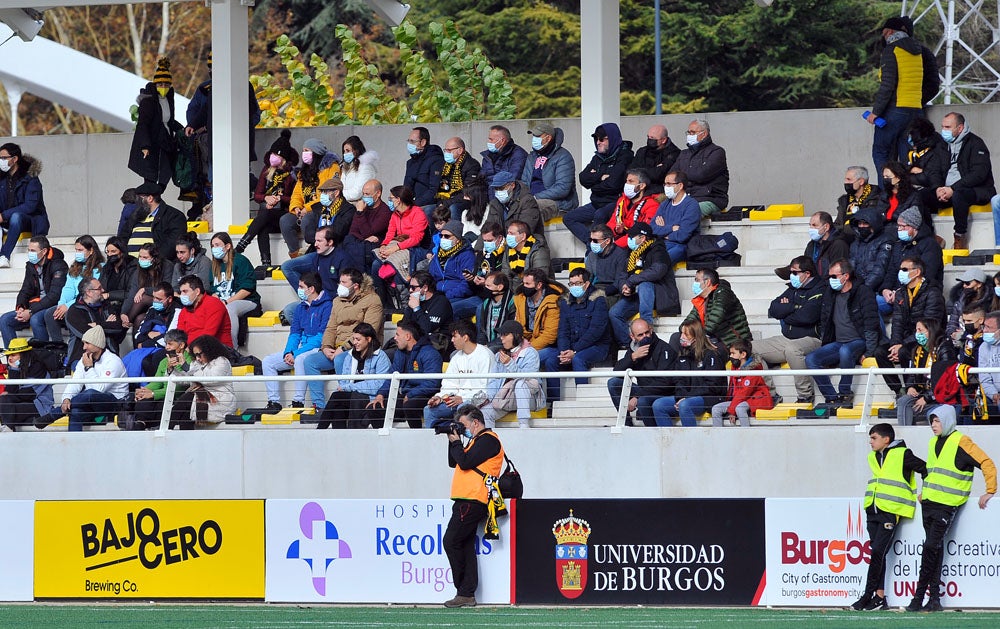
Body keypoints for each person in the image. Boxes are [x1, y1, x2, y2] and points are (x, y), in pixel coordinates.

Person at [906, 405, 996, 612]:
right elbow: (933, 472)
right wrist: (924, 493)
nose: (933, 426)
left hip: (946, 506)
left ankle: (918, 597)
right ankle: (934, 599)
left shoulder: (961, 441)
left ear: (947, 421)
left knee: (930, 548)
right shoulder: (933, 442)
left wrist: (990, 490)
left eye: (937, 421)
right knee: (933, 551)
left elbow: (986, 462)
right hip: (928, 503)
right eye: (931, 422)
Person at [850, 423, 927, 612]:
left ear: (886, 439)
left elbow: (925, 469)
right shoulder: (873, 457)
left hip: (891, 511)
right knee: (878, 554)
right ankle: (879, 598)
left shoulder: (903, 454)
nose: (870, 442)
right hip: (872, 510)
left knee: (877, 552)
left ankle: (868, 595)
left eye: (874, 438)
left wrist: (926, 492)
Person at [441, 404, 504, 608]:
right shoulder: (475, 441)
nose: (462, 429)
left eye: (463, 425)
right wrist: (453, 441)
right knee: (464, 544)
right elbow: (455, 462)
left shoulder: (488, 440)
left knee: (451, 541)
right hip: (465, 499)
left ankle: (463, 590)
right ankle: (466, 593)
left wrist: (458, 441)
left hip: (473, 499)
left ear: (475, 422)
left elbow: (465, 462)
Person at [302, 269, 383, 410]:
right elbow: (331, 327)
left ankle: (345, 401)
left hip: (358, 347)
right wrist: (326, 347)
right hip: (335, 348)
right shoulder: (337, 301)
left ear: (356, 286)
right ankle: (319, 406)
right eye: (340, 281)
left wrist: (344, 348)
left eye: (344, 282)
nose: (340, 285)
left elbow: (369, 330)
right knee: (310, 361)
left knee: (341, 359)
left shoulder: (373, 300)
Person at [806, 259, 883, 408]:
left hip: (859, 341)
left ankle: (845, 392)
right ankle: (831, 397)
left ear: (846, 276)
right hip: (838, 342)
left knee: (845, 350)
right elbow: (825, 320)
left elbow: (871, 322)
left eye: (834, 276)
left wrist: (869, 351)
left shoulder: (863, 291)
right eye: (829, 277)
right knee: (811, 359)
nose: (830, 280)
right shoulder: (830, 293)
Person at [752, 256, 824, 404]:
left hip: (813, 338)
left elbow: (807, 317)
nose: (792, 276)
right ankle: (770, 394)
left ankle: (805, 395)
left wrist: (787, 311)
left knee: (793, 349)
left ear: (807, 273)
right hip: (788, 337)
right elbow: (773, 309)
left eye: (795, 272)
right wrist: (794, 307)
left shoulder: (820, 288)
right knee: (750, 348)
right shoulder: (792, 289)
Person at [919, 112, 996, 249]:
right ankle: (931, 236)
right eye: (942, 127)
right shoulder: (941, 145)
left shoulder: (976, 143)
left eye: (948, 127)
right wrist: (937, 188)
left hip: (976, 191)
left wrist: (953, 189)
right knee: (920, 196)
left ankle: (960, 236)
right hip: (946, 190)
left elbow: (978, 174)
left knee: (960, 194)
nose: (944, 131)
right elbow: (934, 171)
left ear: (960, 128)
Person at [35, 326, 128, 432]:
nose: (84, 347)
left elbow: (99, 390)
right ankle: (74, 445)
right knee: (75, 411)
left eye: (87, 343)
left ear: (97, 344)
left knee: (91, 393)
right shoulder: (85, 359)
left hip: (114, 405)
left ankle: (55, 414)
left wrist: (89, 367)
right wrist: (67, 398)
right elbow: (76, 383)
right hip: (92, 407)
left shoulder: (113, 361)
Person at [261, 272, 331, 411]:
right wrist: (288, 352)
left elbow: (320, 338)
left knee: (300, 359)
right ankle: (274, 402)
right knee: (268, 361)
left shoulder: (327, 306)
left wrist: (296, 353)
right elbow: (295, 333)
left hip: (316, 348)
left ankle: (298, 401)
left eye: (301, 286)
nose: (299, 289)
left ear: (311, 289)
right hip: (299, 348)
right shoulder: (301, 307)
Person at [869, 16, 929, 176]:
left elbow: (888, 85)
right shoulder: (917, 51)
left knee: (881, 153)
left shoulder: (891, 50)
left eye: (884, 34)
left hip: (895, 110)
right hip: (916, 110)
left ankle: (887, 196)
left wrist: (876, 112)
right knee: (907, 157)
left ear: (888, 32)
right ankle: (906, 196)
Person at [878, 256, 945, 395]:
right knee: (880, 352)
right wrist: (895, 344)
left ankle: (913, 388)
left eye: (904, 269)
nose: (900, 272)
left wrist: (902, 345)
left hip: (928, 339)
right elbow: (897, 321)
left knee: (904, 351)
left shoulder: (933, 292)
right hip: (905, 338)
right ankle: (899, 391)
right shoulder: (901, 293)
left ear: (917, 272)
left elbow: (931, 324)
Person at [609, 222, 681, 347]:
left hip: (659, 294)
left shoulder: (658, 250)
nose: (629, 240)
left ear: (642, 238)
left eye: (632, 237)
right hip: (635, 295)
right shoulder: (631, 253)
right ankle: (628, 344)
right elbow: (622, 275)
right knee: (614, 313)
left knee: (645, 284)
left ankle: (647, 332)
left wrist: (631, 281)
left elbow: (657, 271)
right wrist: (624, 287)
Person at [544, 267, 610, 402]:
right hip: (572, 348)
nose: (574, 287)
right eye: (571, 284)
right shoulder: (566, 302)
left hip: (597, 346)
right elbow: (563, 330)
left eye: (578, 283)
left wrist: (574, 351)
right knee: (551, 361)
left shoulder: (599, 300)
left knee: (578, 359)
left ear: (586, 284)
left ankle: (582, 402)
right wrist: (564, 351)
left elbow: (595, 331)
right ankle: (553, 403)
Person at [235, 129, 299, 267]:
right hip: (267, 214)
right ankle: (266, 263)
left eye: (276, 154)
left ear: (284, 158)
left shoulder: (291, 175)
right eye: (272, 153)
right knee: (262, 225)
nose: (273, 157)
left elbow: (294, 199)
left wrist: (279, 199)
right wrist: (266, 198)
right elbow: (257, 196)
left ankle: (243, 243)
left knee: (265, 215)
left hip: (283, 215)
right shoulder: (266, 170)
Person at [563, 122, 634, 245]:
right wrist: (601, 176)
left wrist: (594, 182)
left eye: (602, 139)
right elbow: (583, 179)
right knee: (569, 218)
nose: (598, 142)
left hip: (614, 202)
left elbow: (614, 184)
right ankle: (592, 243)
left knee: (599, 215)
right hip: (597, 202)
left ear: (611, 139)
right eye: (596, 139)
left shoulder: (625, 156)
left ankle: (594, 249)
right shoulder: (598, 157)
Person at [314, 323, 391, 429]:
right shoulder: (350, 356)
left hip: (370, 397)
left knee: (336, 397)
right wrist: (346, 387)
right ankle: (339, 439)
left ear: (368, 339)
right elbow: (344, 380)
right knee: (338, 409)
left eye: (358, 340)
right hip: (351, 396)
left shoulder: (381, 357)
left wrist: (349, 387)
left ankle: (319, 431)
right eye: (353, 339)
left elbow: (378, 385)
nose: (354, 343)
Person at [368, 322, 442, 429]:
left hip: (424, 396)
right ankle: (385, 442)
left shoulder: (430, 353)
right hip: (404, 396)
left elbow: (432, 383)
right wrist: (381, 394)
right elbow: (392, 376)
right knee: (374, 408)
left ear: (408, 336)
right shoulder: (400, 352)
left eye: (397, 334)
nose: (394, 338)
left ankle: (417, 438)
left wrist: (411, 394)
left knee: (409, 406)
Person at [653, 319, 728, 427]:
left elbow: (713, 386)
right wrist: (680, 396)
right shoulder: (683, 355)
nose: (681, 337)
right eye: (681, 333)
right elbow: (679, 380)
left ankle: (690, 442)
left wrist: (687, 397)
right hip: (688, 397)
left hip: (709, 398)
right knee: (658, 405)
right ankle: (670, 441)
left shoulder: (711, 355)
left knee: (685, 405)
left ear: (696, 337)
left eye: (685, 334)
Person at [423, 320, 495, 428]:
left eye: (454, 336)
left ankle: (464, 442)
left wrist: (463, 399)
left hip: (474, 403)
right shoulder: (456, 357)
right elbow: (449, 384)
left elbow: (485, 391)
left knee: (463, 409)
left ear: (465, 337)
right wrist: (440, 397)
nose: (452, 340)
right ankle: (433, 443)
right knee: (429, 410)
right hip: (456, 401)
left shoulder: (485, 355)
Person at [0, 236, 68, 346]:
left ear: (44, 251)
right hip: (34, 306)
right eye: (28, 250)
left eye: (33, 251)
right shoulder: (31, 265)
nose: (30, 253)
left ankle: (42, 357)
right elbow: (25, 290)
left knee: (35, 319)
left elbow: (54, 296)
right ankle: (13, 358)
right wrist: (21, 307)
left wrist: (31, 312)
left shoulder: (58, 265)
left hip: (51, 306)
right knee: (4, 320)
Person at [607, 318, 676, 426]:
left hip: (662, 393)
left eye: (647, 332)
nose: (645, 336)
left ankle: (651, 431)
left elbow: (665, 382)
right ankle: (626, 424)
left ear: (651, 330)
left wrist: (637, 397)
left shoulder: (664, 349)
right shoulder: (634, 349)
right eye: (640, 335)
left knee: (642, 401)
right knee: (613, 383)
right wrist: (633, 357)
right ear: (633, 337)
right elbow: (617, 372)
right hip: (644, 391)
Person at [127, 57, 182, 190]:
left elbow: (169, 121)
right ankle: (148, 201)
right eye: (160, 84)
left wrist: (183, 129)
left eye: (166, 84)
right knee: (151, 177)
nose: (163, 87)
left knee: (165, 174)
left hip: (166, 142)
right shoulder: (148, 101)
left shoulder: (169, 99)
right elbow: (143, 124)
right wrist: (145, 145)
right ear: (155, 84)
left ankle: (152, 200)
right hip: (152, 143)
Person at [282, 138, 341, 258]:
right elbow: (297, 194)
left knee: (307, 220)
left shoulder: (331, 167)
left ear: (316, 152)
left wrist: (307, 209)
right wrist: (296, 207)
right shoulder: (303, 172)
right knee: (285, 221)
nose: (304, 153)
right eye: (303, 150)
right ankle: (295, 255)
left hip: (322, 207)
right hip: (303, 210)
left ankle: (314, 252)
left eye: (307, 150)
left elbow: (328, 193)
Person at [372, 186, 430, 305]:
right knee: (376, 264)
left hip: (417, 248)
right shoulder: (395, 214)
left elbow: (416, 238)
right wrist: (384, 245)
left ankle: (402, 301)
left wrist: (394, 248)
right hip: (398, 245)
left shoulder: (417, 213)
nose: (389, 200)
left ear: (398, 199)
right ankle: (383, 302)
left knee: (395, 264)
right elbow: (390, 233)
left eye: (391, 198)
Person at [481, 320, 544, 429]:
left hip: (529, 399)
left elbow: (528, 379)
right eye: (501, 335)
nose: (501, 338)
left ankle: (524, 426)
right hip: (506, 398)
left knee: (520, 384)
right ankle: (490, 440)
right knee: (484, 412)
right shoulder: (498, 355)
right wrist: (489, 400)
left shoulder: (531, 353)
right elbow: (493, 381)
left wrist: (509, 364)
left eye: (505, 335)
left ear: (516, 336)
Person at [126, 328, 191, 431]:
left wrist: (153, 394)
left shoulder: (189, 361)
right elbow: (157, 382)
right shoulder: (164, 361)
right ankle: (139, 425)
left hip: (177, 398)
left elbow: (178, 388)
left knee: (155, 403)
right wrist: (144, 390)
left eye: (170, 344)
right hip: (162, 396)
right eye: (166, 344)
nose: (167, 347)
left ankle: (143, 426)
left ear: (181, 345)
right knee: (143, 399)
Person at [43, 235, 104, 343]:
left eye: (80, 250)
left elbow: (89, 292)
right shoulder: (75, 267)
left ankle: (74, 346)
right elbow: (68, 288)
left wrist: (67, 306)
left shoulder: (100, 268)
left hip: (87, 303)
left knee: (72, 313)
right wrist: (61, 304)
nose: (77, 253)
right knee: (50, 314)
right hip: (71, 303)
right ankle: (58, 347)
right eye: (76, 250)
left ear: (91, 251)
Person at [168, 334, 236, 430]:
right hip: (201, 399)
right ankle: (183, 437)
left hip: (219, 401)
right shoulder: (197, 363)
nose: (197, 358)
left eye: (199, 354)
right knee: (185, 411)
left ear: (209, 350)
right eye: (195, 355)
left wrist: (187, 368)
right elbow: (186, 380)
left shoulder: (222, 361)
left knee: (188, 397)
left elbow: (211, 380)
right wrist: (171, 369)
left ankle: (166, 426)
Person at [897, 319, 956, 426]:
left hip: (940, 396)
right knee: (903, 401)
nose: (917, 334)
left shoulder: (945, 348)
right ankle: (905, 434)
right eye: (916, 330)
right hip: (923, 392)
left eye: (920, 330)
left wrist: (927, 398)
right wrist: (910, 387)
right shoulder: (917, 349)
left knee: (932, 413)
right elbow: (912, 373)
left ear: (931, 331)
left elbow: (946, 379)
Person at [208, 232, 261, 348]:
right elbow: (212, 290)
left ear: (227, 246)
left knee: (229, 308)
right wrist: (217, 301)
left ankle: (233, 349)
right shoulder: (214, 265)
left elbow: (247, 289)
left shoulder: (241, 261)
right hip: (222, 302)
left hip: (247, 301)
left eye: (217, 245)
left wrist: (226, 302)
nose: (214, 248)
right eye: (212, 246)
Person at [0, 142, 48, 268]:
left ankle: (4, 256)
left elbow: (30, 206)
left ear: (15, 159)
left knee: (16, 217)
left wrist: (4, 215)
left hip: (31, 221)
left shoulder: (30, 178)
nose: (1, 161)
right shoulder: (2, 179)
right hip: (6, 221)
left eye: (4, 158)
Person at [520, 121, 578, 218]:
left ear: (548, 138)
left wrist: (536, 197)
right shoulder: (532, 157)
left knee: (530, 208)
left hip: (558, 203)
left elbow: (562, 188)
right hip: (531, 199)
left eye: (537, 136)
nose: (534, 139)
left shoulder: (563, 156)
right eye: (533, 136)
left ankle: (533, 234)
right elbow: (524, 182)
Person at [65, 277, 127, 366]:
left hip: (109, 355)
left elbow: (118, 327)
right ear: (89, 292)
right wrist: (107, 324)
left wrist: (97, 325)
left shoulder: (107, 306)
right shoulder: (74, 311)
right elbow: (86, 334)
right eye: (99, 288)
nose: (103, 290)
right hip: (82, 357)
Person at [710, 339, 772, 427]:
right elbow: (732, 388)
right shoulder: (734, 367)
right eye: (730, 353)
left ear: (743, 354)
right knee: (716, 409)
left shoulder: (753, 371)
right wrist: (730, 403)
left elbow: (744, 393)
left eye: (733, 353)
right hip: (740, 400)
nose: (730, 356)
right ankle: (718, 437)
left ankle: (746, 435)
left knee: (739, 408)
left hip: (758, 399)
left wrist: (731, 410)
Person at [682, 268, 750, 348]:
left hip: (734, 342)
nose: (694, 283)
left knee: (708, 351)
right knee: (677, 338)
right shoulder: (701, 299)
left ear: (707, 282)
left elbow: (718, 313)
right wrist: (683, 330)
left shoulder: (723, 292)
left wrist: (703, 335)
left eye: (697, 280)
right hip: (713, 338)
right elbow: (691, 318)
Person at [674, 118, 729, 216]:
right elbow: (672, 176)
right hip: (685, 198)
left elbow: (701, 175)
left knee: (688, 214)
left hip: (709, 198)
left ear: (704, 134)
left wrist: (682, 175)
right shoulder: (683, 154)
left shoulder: (717, 152)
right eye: (688, 132)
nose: (690, 135)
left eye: (693, 132)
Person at [883, 207, 943, 295]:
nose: (899, 229)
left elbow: (927, 275)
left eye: (903, 226)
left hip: (921, 295)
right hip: (897, 293)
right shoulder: (898, 245)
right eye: (898, 226)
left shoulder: (930, 245)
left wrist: (901, 294)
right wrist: (885, 289)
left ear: (914, 227)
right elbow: (891, 271)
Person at [123, 182, 186, 264]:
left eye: (139, 198)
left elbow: (172, 244)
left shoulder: (174, 216)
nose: (136, 202)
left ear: (150, 198)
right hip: (130, 267)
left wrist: (154, 260)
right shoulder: (135, 216)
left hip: (157, 267)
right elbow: (123, 237)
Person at [0, 338, 55, 431]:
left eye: (13, 355)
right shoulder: (16, 368)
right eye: (9, 355)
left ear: (23, 355)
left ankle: (8, 430)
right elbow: (10, 391)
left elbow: (28, 394)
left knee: (6, 406)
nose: (10, 358)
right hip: (22, 403)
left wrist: (10, 395)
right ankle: (10, 428)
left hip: (39, 405)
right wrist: (14, 370)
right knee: (4, 401)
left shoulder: (38, 367)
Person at [339, 179, 392, 274]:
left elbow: (368, 232)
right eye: (363, 194)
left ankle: (359, 278)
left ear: (378, 193)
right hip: (359, 241)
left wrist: (360, 213)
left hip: (374, 245)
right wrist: (363, 238)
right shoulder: (363, 207)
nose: (364, 197)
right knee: (348, 240)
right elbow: (353, 230)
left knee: (360, 248)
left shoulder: (385, 212)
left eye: (367, 194)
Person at [454, 223, 506, 320]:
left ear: (499, 238)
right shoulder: (481, 254)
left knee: (480, 310)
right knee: (451, 307)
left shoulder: (506, 254)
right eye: (484, 240)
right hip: (480, 296)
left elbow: (505, 281)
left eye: (490, 240)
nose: (486, 244)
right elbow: (475, 285)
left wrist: (486, 283)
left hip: (497, 297)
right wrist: (471, 280)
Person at [651, 171, 701, 263]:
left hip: (681, 247)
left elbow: (682, 235)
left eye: (669, 184)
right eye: (665, 184)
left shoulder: (691, 205)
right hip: (661, 244)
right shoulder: (665, 203)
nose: (666, 187)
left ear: (680, 185)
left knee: (659, 263)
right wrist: (671, 228)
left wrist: (663, 231)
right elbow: (653, 228)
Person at [123, 243, 173, 330]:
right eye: (140, 256)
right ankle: (127, 325)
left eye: (145, 257)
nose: (141, 260)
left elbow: (166, 289)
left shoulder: (167, 266)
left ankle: (124, 324)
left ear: (154, 258)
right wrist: (123, 313)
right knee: (139, 319)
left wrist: (145, 290)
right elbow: (132, 293)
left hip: (164, 303)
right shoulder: (139, 271)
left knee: (143, 297)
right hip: (149, 307)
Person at [175, 274, 233, 348]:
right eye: (181, 292)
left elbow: (208, 334)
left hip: (217, 350)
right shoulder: (184, 311)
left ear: (197, 291)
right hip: (191, 350)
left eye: (185, 291)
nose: (182, 295)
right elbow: (180, 335)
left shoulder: (214, 304)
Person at [605, 169, 659, 248]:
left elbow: (641, 233)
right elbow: (612, 223)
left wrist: (614, 246)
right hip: (617, 240)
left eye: (631, 181)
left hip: (635, 245)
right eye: (626, 181)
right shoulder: (622, 201)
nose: (627, 184)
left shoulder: (652, 205)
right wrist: (605, 238)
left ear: (642, 186)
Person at [848, 208, 893, 298]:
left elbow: (879, 270)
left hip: (876, 290)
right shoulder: (855, 243)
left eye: (865, 223)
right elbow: (850, 267)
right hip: (856, 288)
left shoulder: (885, 241)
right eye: (859, 224)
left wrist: (864, 289)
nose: (862, 226)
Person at [428, 220, 477, 303]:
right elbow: (431, 278)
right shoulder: (438, 255)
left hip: (458, 296)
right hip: (438, 295)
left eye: (447, 236)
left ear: (457, 239)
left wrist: (446, 296)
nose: (443, 239)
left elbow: (466, 285)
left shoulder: (466, 255)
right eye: (441, 236)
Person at [484, 171, 543, 237]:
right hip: (504, 243)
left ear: (512, 185)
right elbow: (487, 230)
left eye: (501, 188)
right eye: (496, 189)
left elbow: (525, 232)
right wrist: (478, 247)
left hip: (529, 244)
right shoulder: (495, 203)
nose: (498, 192)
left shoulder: (527, 201)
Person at [402, 270, 454, 338]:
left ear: (425, 288)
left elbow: (427, 329)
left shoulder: (441, 302)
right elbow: (404, 326)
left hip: (436, 342)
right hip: (416, 341)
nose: (410, 290)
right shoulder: (414, 302)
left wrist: (417, 309)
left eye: (413, 287)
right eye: (409, 287)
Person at [404, 127, 446, 211]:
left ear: (423, 142)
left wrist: (415, 204)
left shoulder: (436, 160)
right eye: (408, 141)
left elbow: (434, 189)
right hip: (413, 204)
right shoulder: (410, 162)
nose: (409, 144)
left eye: (412, 141)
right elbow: (407, 188)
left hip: (430, 204)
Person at [437, 137, 481, 215]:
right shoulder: (446, 166)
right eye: (445, 150)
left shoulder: (472, 165)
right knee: (428, 210)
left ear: (460, 150)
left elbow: (468, 192)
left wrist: (446, 203)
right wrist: (441, 203)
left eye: (449, 150)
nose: (446, 153)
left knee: (453, 208)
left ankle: (454, 227)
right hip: (448, 201)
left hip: (467, 202)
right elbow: (442, 188)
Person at [501, 220, 551, 289]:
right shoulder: (508, 250)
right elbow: (505, 276)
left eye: (512, 233)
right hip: (515, 293)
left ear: (523, 236)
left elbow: (539, 278)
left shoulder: (538, 251)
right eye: (508, 233)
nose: (508, 236)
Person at [585, 224, 627, 305]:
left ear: (607, 241)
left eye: (595, 240)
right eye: (590, 239)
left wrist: (602, 293)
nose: (591, 243)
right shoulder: (591, 255)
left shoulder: (620, 254)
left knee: (597, 304)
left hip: (615, 292)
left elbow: (619, 281)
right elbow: (587, 278)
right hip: (596, 289)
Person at [632, 124, 680, 196]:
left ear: (663, 140)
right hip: (638, 190)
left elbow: (658, 175)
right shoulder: (642, 151)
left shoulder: (674, 153)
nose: (649, 139)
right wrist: (652, 170)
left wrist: (640, 171)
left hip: (659, 193)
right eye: (648, 137)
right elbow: (631, 171)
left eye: (652, 138)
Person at [834, 166, 886, 233]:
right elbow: (837, 224)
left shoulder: (876, 198)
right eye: (845, 179)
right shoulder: (844, 201)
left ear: (861, 181)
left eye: (849, 179)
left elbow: (870, 223)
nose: (845, 182)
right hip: (845, 236)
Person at [476, 271, 516, 352]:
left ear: (500, 287)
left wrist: (488, 346)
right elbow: (482, 331)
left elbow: (510, 333)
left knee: (489, 351)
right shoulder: (486, 303)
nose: (485, 288)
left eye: (488, 286)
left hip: (505, 344)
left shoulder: (513, 303)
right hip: (488, 344)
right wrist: (480, 346)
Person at [906, 117, 949, 192]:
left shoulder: (937, 150)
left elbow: (933, 177)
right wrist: (910, 169)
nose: (909, 138)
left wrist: (920, 172)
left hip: (936, 190)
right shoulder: (918, 148)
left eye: (911, 135)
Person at [100, 237, 138, 318]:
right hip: (108, 305)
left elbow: (130, 293)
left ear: (122, 252)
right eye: (108, 252)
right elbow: (101, 286)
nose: (110, 254)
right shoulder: (107, 268)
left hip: (126, 305)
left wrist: (109, 295)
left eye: (113, 251)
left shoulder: (133, 267)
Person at [947, 268, 991, 338]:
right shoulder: (960, 300)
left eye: (967, 283)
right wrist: (952, 333)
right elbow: (952, 323)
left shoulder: (990, 301)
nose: (964, 285)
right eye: (963, 283)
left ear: (979, 284)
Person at [879, 161, 924, 228]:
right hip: (884, 228)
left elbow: (911, 218)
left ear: (898, 177)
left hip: (901, 228)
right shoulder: (884, 195)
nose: (885, 179)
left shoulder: (913, 195)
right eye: (884, 177)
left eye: (888, 177)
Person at [339, 135, 379, 209]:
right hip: (345, 205)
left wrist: (338, 194)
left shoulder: (365, 167)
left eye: (348, 151)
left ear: (356, 151)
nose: (345, 154)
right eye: (344, 151)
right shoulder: (345, 167)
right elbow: (341, 186)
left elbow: (357, 192)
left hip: (359, 207)